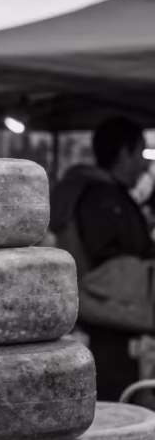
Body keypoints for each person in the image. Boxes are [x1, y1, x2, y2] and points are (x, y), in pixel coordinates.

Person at [51, 117, 154, 401]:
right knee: (115, 394)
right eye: (140, 153)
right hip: (111, 315)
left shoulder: (109, 195)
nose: (144, 164)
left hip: (113, 315)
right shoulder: (103, 198)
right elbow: (106, 255)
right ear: (123, 153)